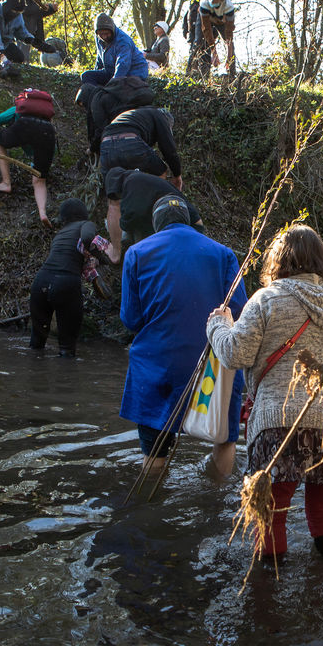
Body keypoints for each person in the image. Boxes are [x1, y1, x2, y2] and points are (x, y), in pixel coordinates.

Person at [206, 224, 323, 562]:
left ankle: (267, 592)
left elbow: (234, 354)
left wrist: (218, 324)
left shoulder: (266, 299)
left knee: (269, 513)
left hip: (279, 423)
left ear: (277, 261)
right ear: (322, 261)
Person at [119, 196, 246, 481]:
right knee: (224, 438)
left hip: (158, 365)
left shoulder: (136, 253)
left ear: (156, 224)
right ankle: (217, 498)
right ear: (188, 221)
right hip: (212, 366)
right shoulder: (224, 254)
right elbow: (238, 310)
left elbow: (131, 319)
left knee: (154, 449)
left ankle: (151, 498)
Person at [30, 198, 107, 357]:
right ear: (83, 213)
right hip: (65, 283)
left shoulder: (60, 234)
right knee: (67, 349)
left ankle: (33, 371)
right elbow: (87, 238)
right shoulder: (86, 224)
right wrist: (101, 256)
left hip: (40, 283)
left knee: (36, 345)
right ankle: (66, 372)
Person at [0, 99, 56, 224]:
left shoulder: (15, 111)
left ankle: (6, 183)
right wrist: (40, 164)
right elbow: (45, 151)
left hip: (25, 126)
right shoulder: (45, 118)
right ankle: (42, 212)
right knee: (40, 180)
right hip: (48, 132)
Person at [103, 167, 201, 263]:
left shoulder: (131, 183)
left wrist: (117, 248)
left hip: (180, 225)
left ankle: (143, 262)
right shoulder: (143, 181)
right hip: (193, 225)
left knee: (137, 227)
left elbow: (132, 217)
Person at [97, 107, 181, 184]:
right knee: (161, 171)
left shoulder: (137, 115)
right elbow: (168, 149)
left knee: (113, 188)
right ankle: (154, 195)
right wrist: (177, 174)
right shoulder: (160, 116)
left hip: (105, 146)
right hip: (129, 141)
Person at [75, 78, 154, 159]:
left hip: (126, 132)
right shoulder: (108, 94)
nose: (85, 108)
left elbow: (102, 129)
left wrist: (92, 149)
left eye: (83, 104)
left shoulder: (96, 102)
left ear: (86, 97)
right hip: (144, 121)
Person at [0, 0, 57, 79]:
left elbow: (22, 32)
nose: (15, 14)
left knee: (19, 57)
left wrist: (35, 42)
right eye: (13, 12)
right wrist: (3, 56)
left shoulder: (18, 15)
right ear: (7, 6)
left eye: (18, 12)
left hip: (5, 42)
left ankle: (6, 64)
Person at [79, 13, 148, 88]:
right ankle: (97, 94)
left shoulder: (123, 41)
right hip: (111, 71)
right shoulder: (99, 38)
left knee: (116, 88)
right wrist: (96, 73)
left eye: (107, 33)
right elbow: (99, 58)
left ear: (112, 30)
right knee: (86, 76)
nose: (104, 37)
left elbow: (123, 64)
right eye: (101, 34)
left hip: (133, 73)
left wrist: (113, 83)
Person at [199, 0, 237, 77]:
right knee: (202, 43)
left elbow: (229, 33)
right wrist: (214, 52)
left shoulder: (229, 6)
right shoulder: (204, 3)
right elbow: (206, 29)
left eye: (217, 2)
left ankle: (232, 73)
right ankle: (203, 74)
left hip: (222, 21)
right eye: (213, 0)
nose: (214, 3)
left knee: (231, 47)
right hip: (207, 19)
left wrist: (229, 54)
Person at [183, 0, 210, 78]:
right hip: (197, 36)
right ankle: (195, 75)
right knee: (199, 56)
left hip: (200, 36)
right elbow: (186, 21)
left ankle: (199, 75)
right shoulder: (193, 7)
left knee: (200, 56)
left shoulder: (197, 7)